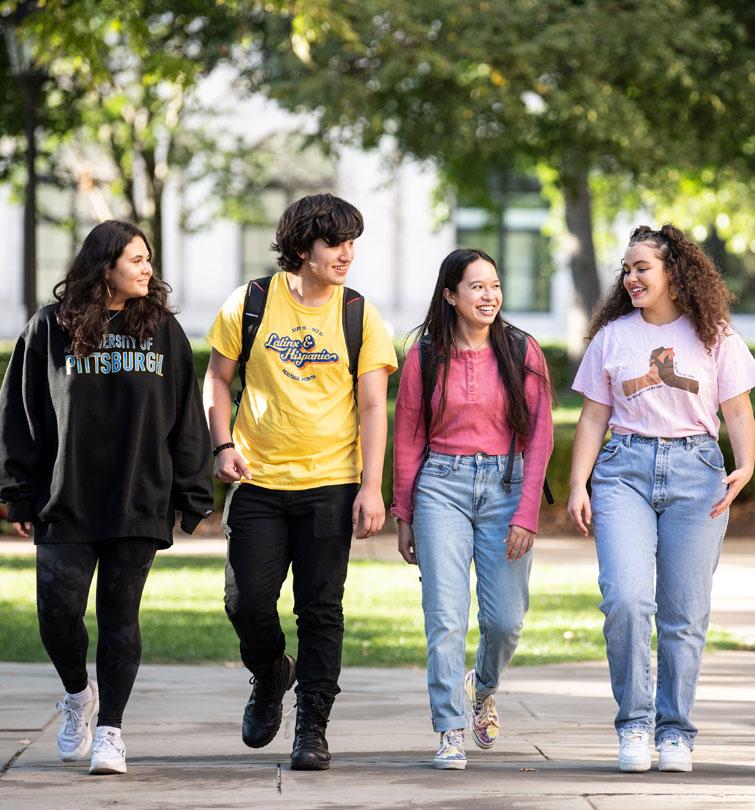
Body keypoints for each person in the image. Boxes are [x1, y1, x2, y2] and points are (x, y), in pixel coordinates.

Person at [0, 220, 214, 775]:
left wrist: (193, 491)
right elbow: (20, 416)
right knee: (57, 614)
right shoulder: (50, 328)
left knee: (121, 617)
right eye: (137, 259)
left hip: (138, 497)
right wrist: (18, 492)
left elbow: (185, 417)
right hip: (66, 497)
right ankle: (78, 694)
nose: (148, 269)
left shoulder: (162, 331)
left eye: (149, 259)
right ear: (104, 266)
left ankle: (111, 732)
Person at [204, 193, 397, 771]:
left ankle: (312, 727)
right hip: (259, 483)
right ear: (302, 246)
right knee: (246, 600)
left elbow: (371, 408)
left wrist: (371, 485)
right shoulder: (251, 302)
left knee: (320, 610)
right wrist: (222, 444)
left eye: (352, 243)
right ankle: (269, 676)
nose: (347, 254)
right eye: (335, 243)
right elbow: (216, 378)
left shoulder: (360, 314)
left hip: (331, 485)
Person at [567, 224, 755, 774]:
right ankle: (634, 725)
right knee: (626, 601)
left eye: (641, 267)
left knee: (683, 614)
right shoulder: (613, 336)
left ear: (674, 272)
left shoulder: (717, 335)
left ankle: (675, 732)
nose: (630, 278)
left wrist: (746, 465)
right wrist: (578, 483)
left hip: (696, 474)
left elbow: (737, 410)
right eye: (626, 269)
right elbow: (594, 415)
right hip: (623, 469)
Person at [392, 248, 554, 770]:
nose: (489, 296)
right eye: (477, 287)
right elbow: (410, 433)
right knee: (444, 617)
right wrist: (405, 513)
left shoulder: (521, 349)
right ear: (451, 295)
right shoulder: (425, 354)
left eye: (495, 286)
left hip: (505, 488)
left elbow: (542, 434)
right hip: (441, 486)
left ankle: (482, 686)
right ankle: (449, 729)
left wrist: (528, 511)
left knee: (506, 620)